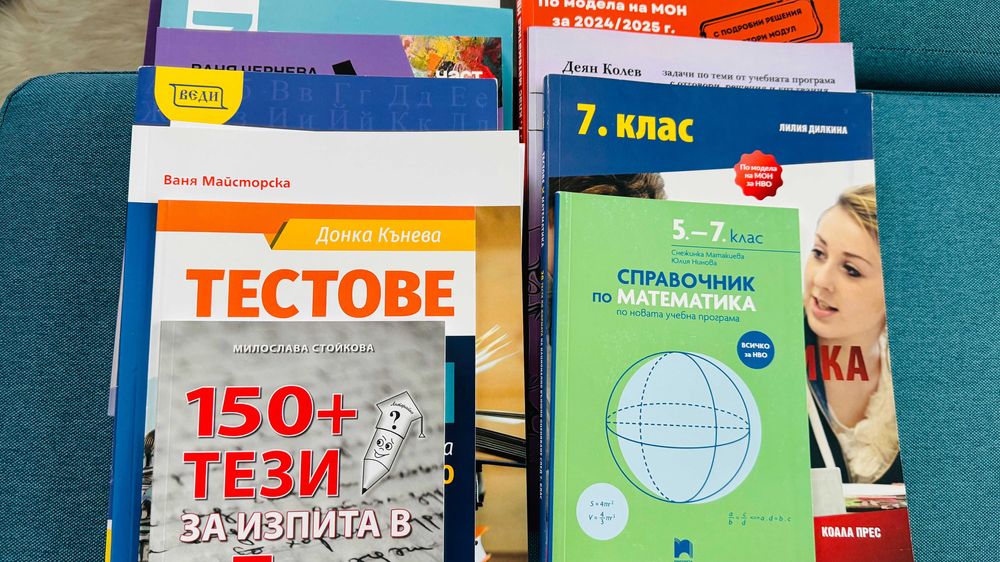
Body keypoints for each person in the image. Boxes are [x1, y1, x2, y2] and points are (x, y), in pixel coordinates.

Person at [804, 184, 903, 484]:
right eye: (819, 253)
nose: (821, 280)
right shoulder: (765, 350)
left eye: (851, 270)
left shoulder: (922, 376)